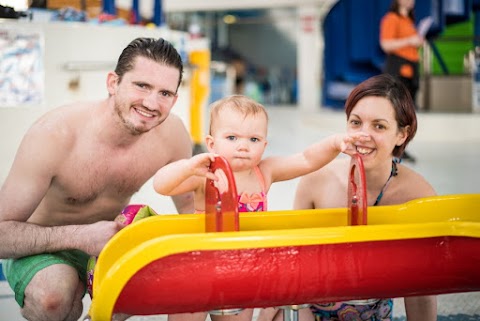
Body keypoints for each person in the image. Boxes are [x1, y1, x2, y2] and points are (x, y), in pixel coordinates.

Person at [0, 37, 194, 321]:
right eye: (142, 86)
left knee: (144, 290)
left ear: (174, 100)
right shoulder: (54, 135)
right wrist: (79, 236)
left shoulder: (173, 136)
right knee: (54, 297)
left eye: (165, 93)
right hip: (41, 245)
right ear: (113, 83)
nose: (152, 103)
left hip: (107, 244)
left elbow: (190, 210)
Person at [153, 94, 371, 321]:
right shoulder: (204, 175)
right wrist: (187, 167)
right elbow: (161, 186)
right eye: (232, 137)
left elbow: (306, 159)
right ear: (211, 143)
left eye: (254, 140)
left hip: (242, 272)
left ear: (264, 145)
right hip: (197, 269)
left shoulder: (264, 172)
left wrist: (335, 143)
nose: (243, 146)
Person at [264, 74, 436, 321]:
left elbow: (422, 290)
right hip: (306, 310)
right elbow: (294, 265)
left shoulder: (418, 196)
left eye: (379, 126)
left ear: (402, 134)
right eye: (356, 123)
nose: (362, 135)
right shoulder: (316, 180)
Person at [379, 0, 426, 163]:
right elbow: (386, 44)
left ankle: (400, 148)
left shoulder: (410, 21)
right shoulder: (391, 19)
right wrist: (410, 41)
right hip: (398, 71)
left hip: (411, 71)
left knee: (406, 114)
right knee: (395, 111)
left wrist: (417, 42)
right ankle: (390, 148)